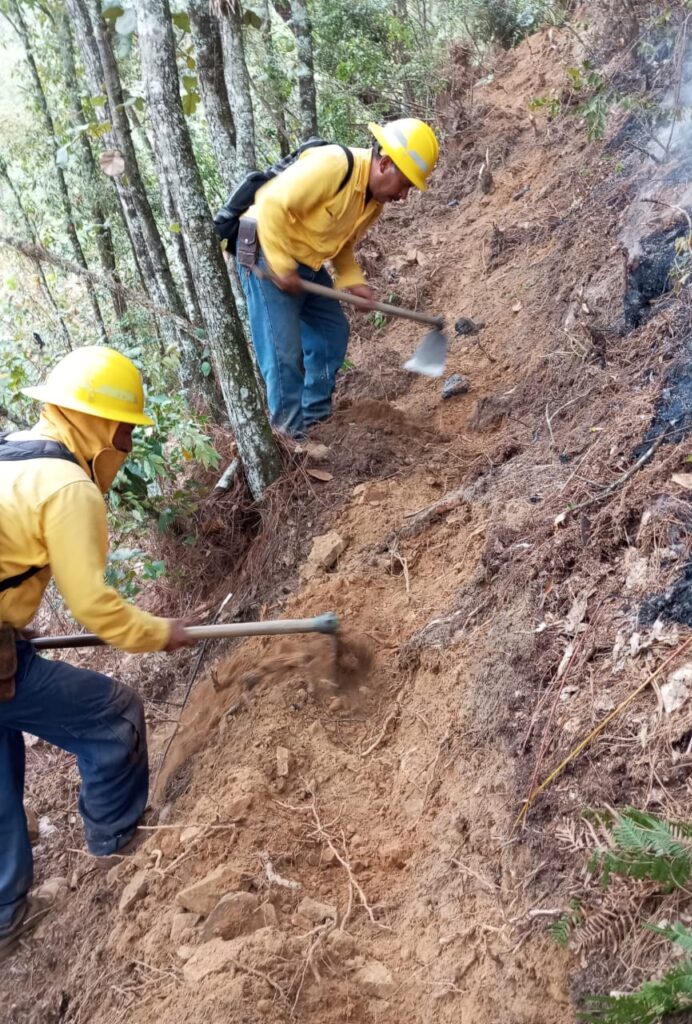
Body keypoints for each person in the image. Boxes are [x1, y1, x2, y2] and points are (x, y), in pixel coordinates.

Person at [0, 346, 195, 957]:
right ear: (102, 424)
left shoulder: (11, 453)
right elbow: (94, 606)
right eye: (125, 432)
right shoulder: (66, 486)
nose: (126, 444)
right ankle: (118, 845)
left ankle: (5, 909)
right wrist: (158, 632)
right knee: (112, 714)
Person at [237, 117, 440, 438]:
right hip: (266, 250)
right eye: (405, 185)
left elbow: (341, 244)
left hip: (305, 260)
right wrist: (280, 265)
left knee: (331, 332)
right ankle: (291, 438)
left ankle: (316, 416)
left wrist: (352, 280)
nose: (404, 196)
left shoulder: (373, 203)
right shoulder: (334, 166)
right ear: (385, 163)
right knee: (283, 354)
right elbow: (271, 202)